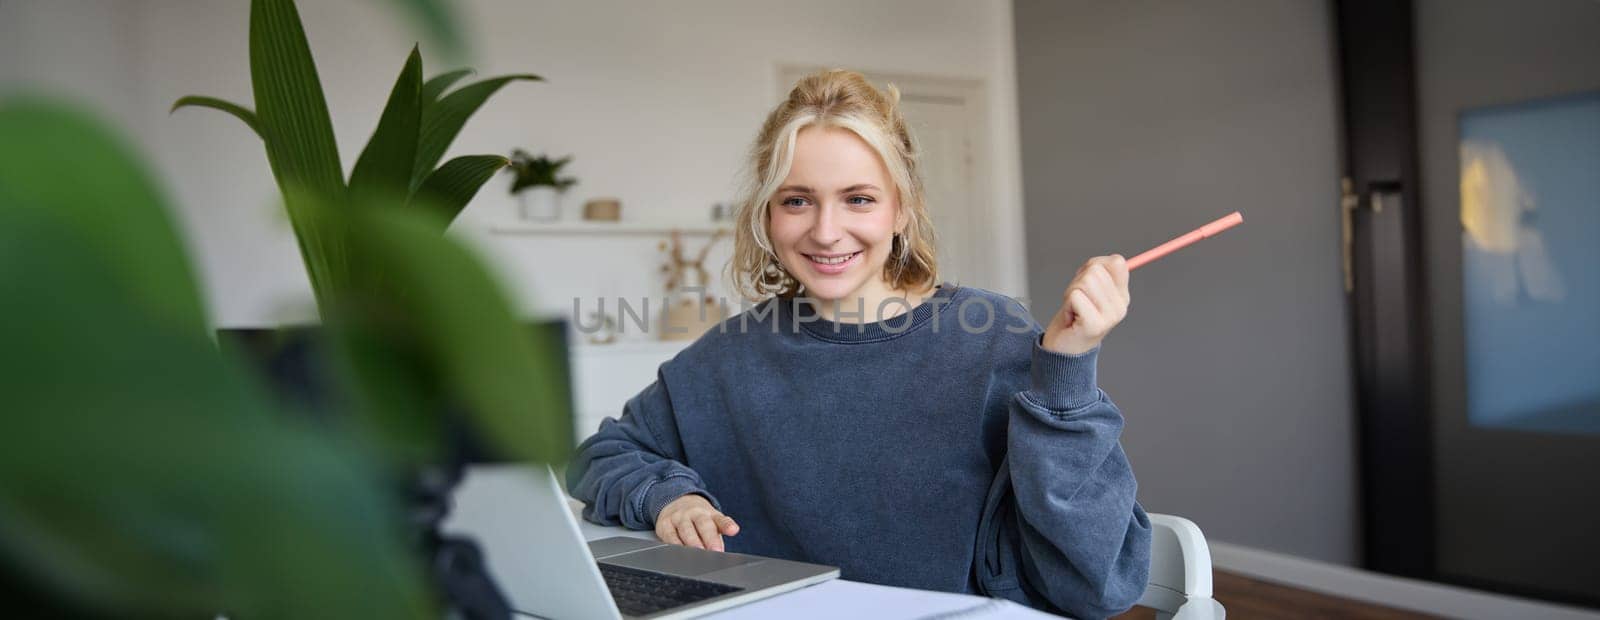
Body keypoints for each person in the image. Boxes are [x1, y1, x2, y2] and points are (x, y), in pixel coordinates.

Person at [567, 69, 1150, 618]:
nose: (825, 230)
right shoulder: (727, 356)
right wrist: (670, 498)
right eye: (797, 200)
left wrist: (1067, 372)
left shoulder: (994, 338)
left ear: (902, 209)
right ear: (768, 217)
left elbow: (1099, 583)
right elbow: (601, 455)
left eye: (858, 199)